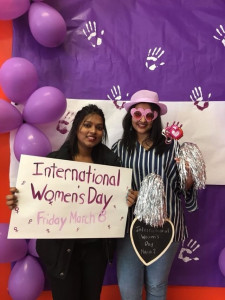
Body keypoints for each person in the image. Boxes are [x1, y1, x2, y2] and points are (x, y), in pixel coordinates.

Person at [6, 104, 121, 300]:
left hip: (95, 250)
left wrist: (127, 198)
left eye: (99, 127)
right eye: (87, 125)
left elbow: (116, 205)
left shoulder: (111, 165)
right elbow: (38, 201)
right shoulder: (53, 163)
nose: (93, 131)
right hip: (61, 250)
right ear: (77, 127)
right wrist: (19, 201)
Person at [111, 90, 197, 300]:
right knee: (129, 289)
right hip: (130, 227)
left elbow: (181, 188)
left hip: (166, 226)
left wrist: (189, 175)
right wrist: (125, 195)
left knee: (157, 287)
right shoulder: (118, 149)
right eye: (138, 114)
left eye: (149, 115)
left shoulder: (172, 147)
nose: (143, 120)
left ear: (156, 118)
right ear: (130, 115)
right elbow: (110, 189)